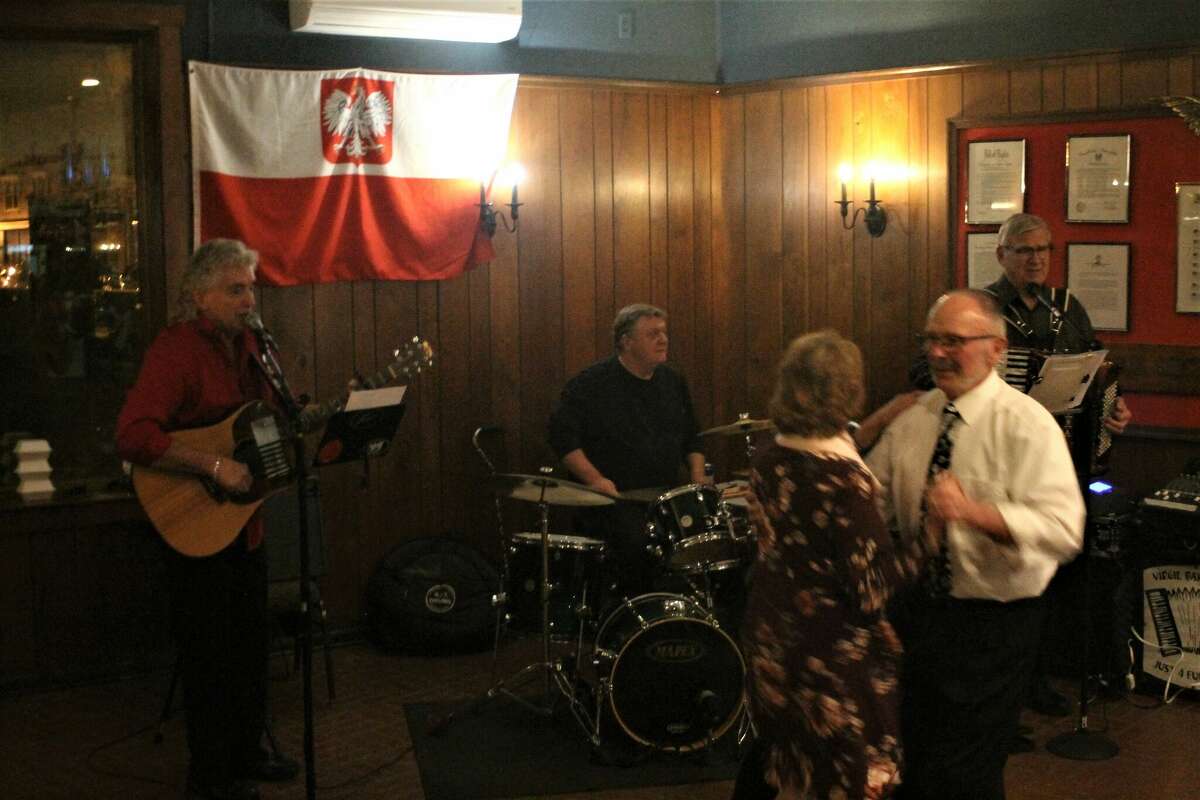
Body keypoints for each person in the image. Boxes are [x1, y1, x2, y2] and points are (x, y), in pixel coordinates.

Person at [867, 290, 1085, 800]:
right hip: (918, 613)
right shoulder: (916, 417)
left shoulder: (1027, 425)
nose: (939, 354)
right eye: (932, 340)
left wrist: (973, 514)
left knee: (966, 771)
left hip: (994, 623)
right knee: (911, 757)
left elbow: (1064, 528)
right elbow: (873, 501)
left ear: (995, 350)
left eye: (954, 341)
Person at [116, 239, 298, 800]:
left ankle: (246, 752)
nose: (249, 299)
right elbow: (133, 435)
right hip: (194, 527)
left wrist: (309, 419)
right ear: (199, 297)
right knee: (209, 656)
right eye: (235, 289)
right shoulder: (176, 351)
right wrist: (212, 463)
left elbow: (264, 424)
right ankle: (211, 774)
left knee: (248, 647)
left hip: (245, 526)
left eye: (252, 287)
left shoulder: (254, 349)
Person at [738, 330, 931, 800]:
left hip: (772, 636)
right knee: (846, 778)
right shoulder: (844, 483)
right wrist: (933, 534)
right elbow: (871, 587)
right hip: (831, 654)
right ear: (849, 390)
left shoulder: (770, 457)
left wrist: (883, 417)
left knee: (793, 768)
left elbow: (836, 441)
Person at [548, 303, 707, 597]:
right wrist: (595, 480)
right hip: (615, 500)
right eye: (652, 334)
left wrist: (697, 475)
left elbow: (692, 436)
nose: (663, 339)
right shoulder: (592, 384)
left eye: (664, 333)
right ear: (626, 341)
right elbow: (562, 439)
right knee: (637, 546)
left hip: (665, 498)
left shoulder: (672, 381)